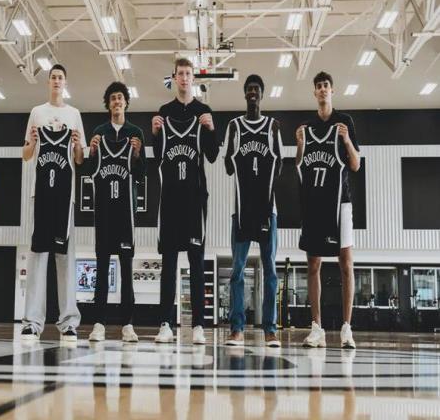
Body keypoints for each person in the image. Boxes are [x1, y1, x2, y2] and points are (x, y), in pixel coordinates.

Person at [151, 58, 219, 344]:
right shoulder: (164, 113)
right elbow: (158, 156)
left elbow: (213, 155)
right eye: (180, 73)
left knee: (196, 262)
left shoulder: (204, 111)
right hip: (170, 198)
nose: (184, 77)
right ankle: (165, 323)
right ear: (174, 77)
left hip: (194, 198)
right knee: (168, 262)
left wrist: (212, 130)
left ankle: (199, 325)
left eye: (188, 73)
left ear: (193, 78)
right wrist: (155, 133)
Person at [296, 71, 360, 349]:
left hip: (340, 202)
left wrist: (346, 141)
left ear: (332, 90)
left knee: (346, 264)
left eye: (326, 86)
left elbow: (355, 164)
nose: (322, 89)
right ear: (314, 92)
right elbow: (298, 165)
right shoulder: (307, 127)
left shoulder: (344, 122)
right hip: (314, 203)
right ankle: (317, 328)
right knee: (313, 265)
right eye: (318, 86)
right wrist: (300, 145)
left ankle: (347, 328)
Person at [21, 64, 85, 341]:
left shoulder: (74, 114)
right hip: (41, 194)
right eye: (53, 77)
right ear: (48, 82)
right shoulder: (37, 112)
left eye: (61, 77)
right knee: (38, 256)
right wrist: (33, 142)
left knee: (65, 258)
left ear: (65, 82)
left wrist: (78, 144)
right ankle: (32, 322)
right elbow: (26, 154)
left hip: (65, 196)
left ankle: (69, 321)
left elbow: (79, 159)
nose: (57, 81)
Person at [223, 74, 283, 347]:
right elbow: (228, 165)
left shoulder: (273, 126)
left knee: (270, 269)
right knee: (237, 270)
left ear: (262, 94)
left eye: (256, 89)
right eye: (248, 89)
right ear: (244, 94)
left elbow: (278, 165)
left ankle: (270, 329)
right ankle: (237, 329)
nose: (252, 92)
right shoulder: (234, 126)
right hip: (241, 208)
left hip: (268, 208)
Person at [88, 82, 146, 342]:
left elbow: (142, 173)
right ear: (108, 104)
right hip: (104, 213)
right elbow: (89, 169)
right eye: (112, 98)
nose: (117, 101)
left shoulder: (136, 133)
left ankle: (127, 325)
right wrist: (91, 152)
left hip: (126, 213)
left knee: (126, 270)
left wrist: (138, 154)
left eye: (120, 97)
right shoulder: (99, 133)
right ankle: (98, 323)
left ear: (126, 102)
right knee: (101, 269)